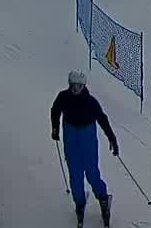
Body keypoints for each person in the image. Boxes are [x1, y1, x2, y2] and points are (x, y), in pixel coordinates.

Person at [51, 71, 117, 227]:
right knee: (75, 174)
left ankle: (103, 198)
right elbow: (55, 110)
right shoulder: (63, 97)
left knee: (92, 172)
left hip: (87, 137)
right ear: (69, 85)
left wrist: (111, 138)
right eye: (73, 86)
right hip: (71, 135)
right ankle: (79, 202)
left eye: (79, 86)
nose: (76, 90)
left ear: (84, 86)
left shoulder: (91, 102)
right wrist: (55, 128)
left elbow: (102, 119)